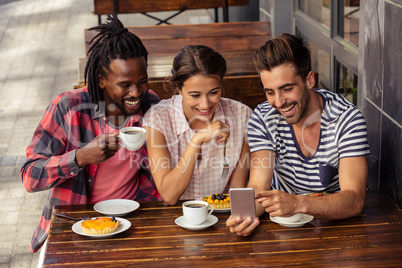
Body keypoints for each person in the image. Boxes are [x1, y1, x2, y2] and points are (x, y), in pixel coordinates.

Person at [20, 14, 160, 253]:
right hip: (75, 223)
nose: (136, 92)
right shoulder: (67, 107)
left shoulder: (151, 105)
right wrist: (81, 157)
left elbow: (153, 173)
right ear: (102, 80)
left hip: (130, 219)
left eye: (142, 81)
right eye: (125, 85)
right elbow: (30, 177)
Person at [226, 33, 370, 236]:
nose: (278, 101)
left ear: (309, 80)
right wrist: (245, 218)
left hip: (337, 227)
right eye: (270, 92)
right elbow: (259, 186)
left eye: (287, 89)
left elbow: (354, 200)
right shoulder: (263, 117)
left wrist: (299, 203)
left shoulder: (347, 119)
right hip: (282, 228)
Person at [143, 45, 252, 204]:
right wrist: (196, 141)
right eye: (195, 95)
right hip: (173, 216)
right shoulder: (157, 118)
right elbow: (169, 195)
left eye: (214, 92)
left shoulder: (242, 115)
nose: (205, 104)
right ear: (179, 89)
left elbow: (237, 190)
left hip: (222, 212)